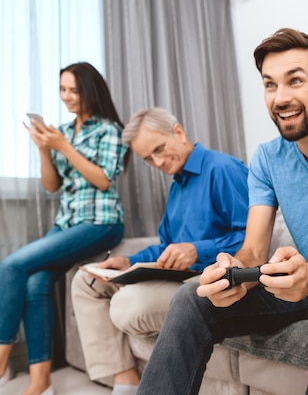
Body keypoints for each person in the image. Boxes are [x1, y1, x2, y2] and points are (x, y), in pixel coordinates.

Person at [137, 28, 308, 395]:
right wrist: (231, 273)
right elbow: (253, 251)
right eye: (270, 85)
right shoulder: (267, 158)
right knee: (192, 298)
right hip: (306, 283)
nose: (280, 98)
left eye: (294, 81)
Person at [71, 107, 249, 395]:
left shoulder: (224, 170)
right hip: (175, 276)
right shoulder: (178, 186)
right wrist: (128, 261)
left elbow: (252, 240)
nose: (158, 162)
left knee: (127, 304)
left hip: (207, 280)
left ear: (178, 132)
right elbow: (166, 245)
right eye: (148, 159)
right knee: (86, 282)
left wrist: (196, 249)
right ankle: (125, 379)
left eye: (159, 149)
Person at [0, 62, 128, 395]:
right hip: (67, 223)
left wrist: (63, 147)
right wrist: (45, 149)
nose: (67, 97)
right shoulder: (62, 130)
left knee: (11, 265)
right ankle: (41, 382)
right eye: (62, 90)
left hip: (100, 222)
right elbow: (52, 185)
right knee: (35, 282)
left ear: (90, 90)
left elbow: (103, 179)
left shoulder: (109, 130)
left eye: (74, 90)